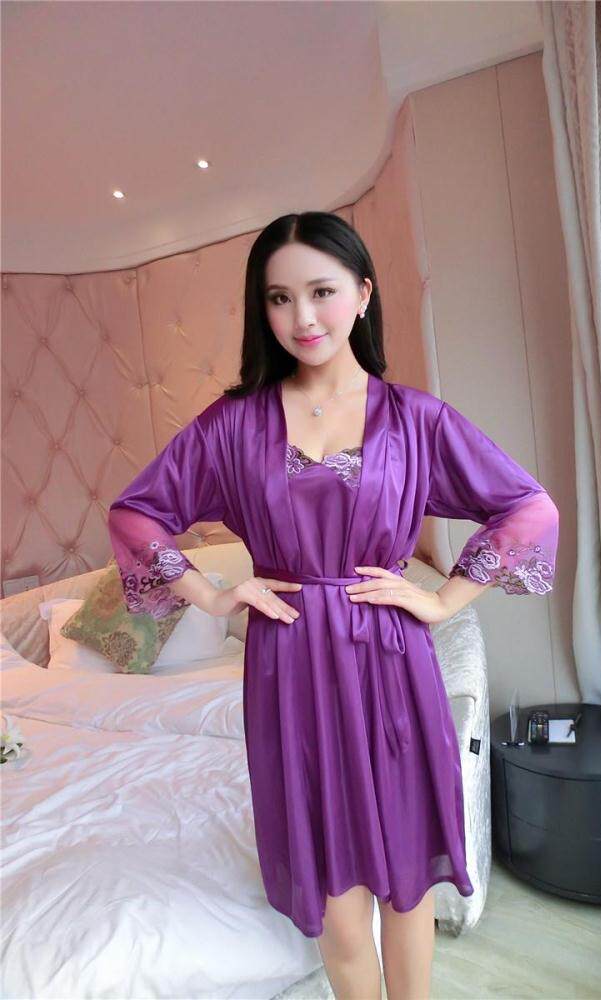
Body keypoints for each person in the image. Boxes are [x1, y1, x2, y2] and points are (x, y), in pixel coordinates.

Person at [108, 211, 559, 999]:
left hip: (391, 661)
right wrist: (214, 595)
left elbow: (528, 508)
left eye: (322, 291)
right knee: (337, 908)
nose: (303, 316)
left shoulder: (415, 418)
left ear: (363, 295)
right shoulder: (232, 425)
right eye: (279, 298)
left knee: (405, 885)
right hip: (288, 667)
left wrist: (445, 600)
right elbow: (135, 514)